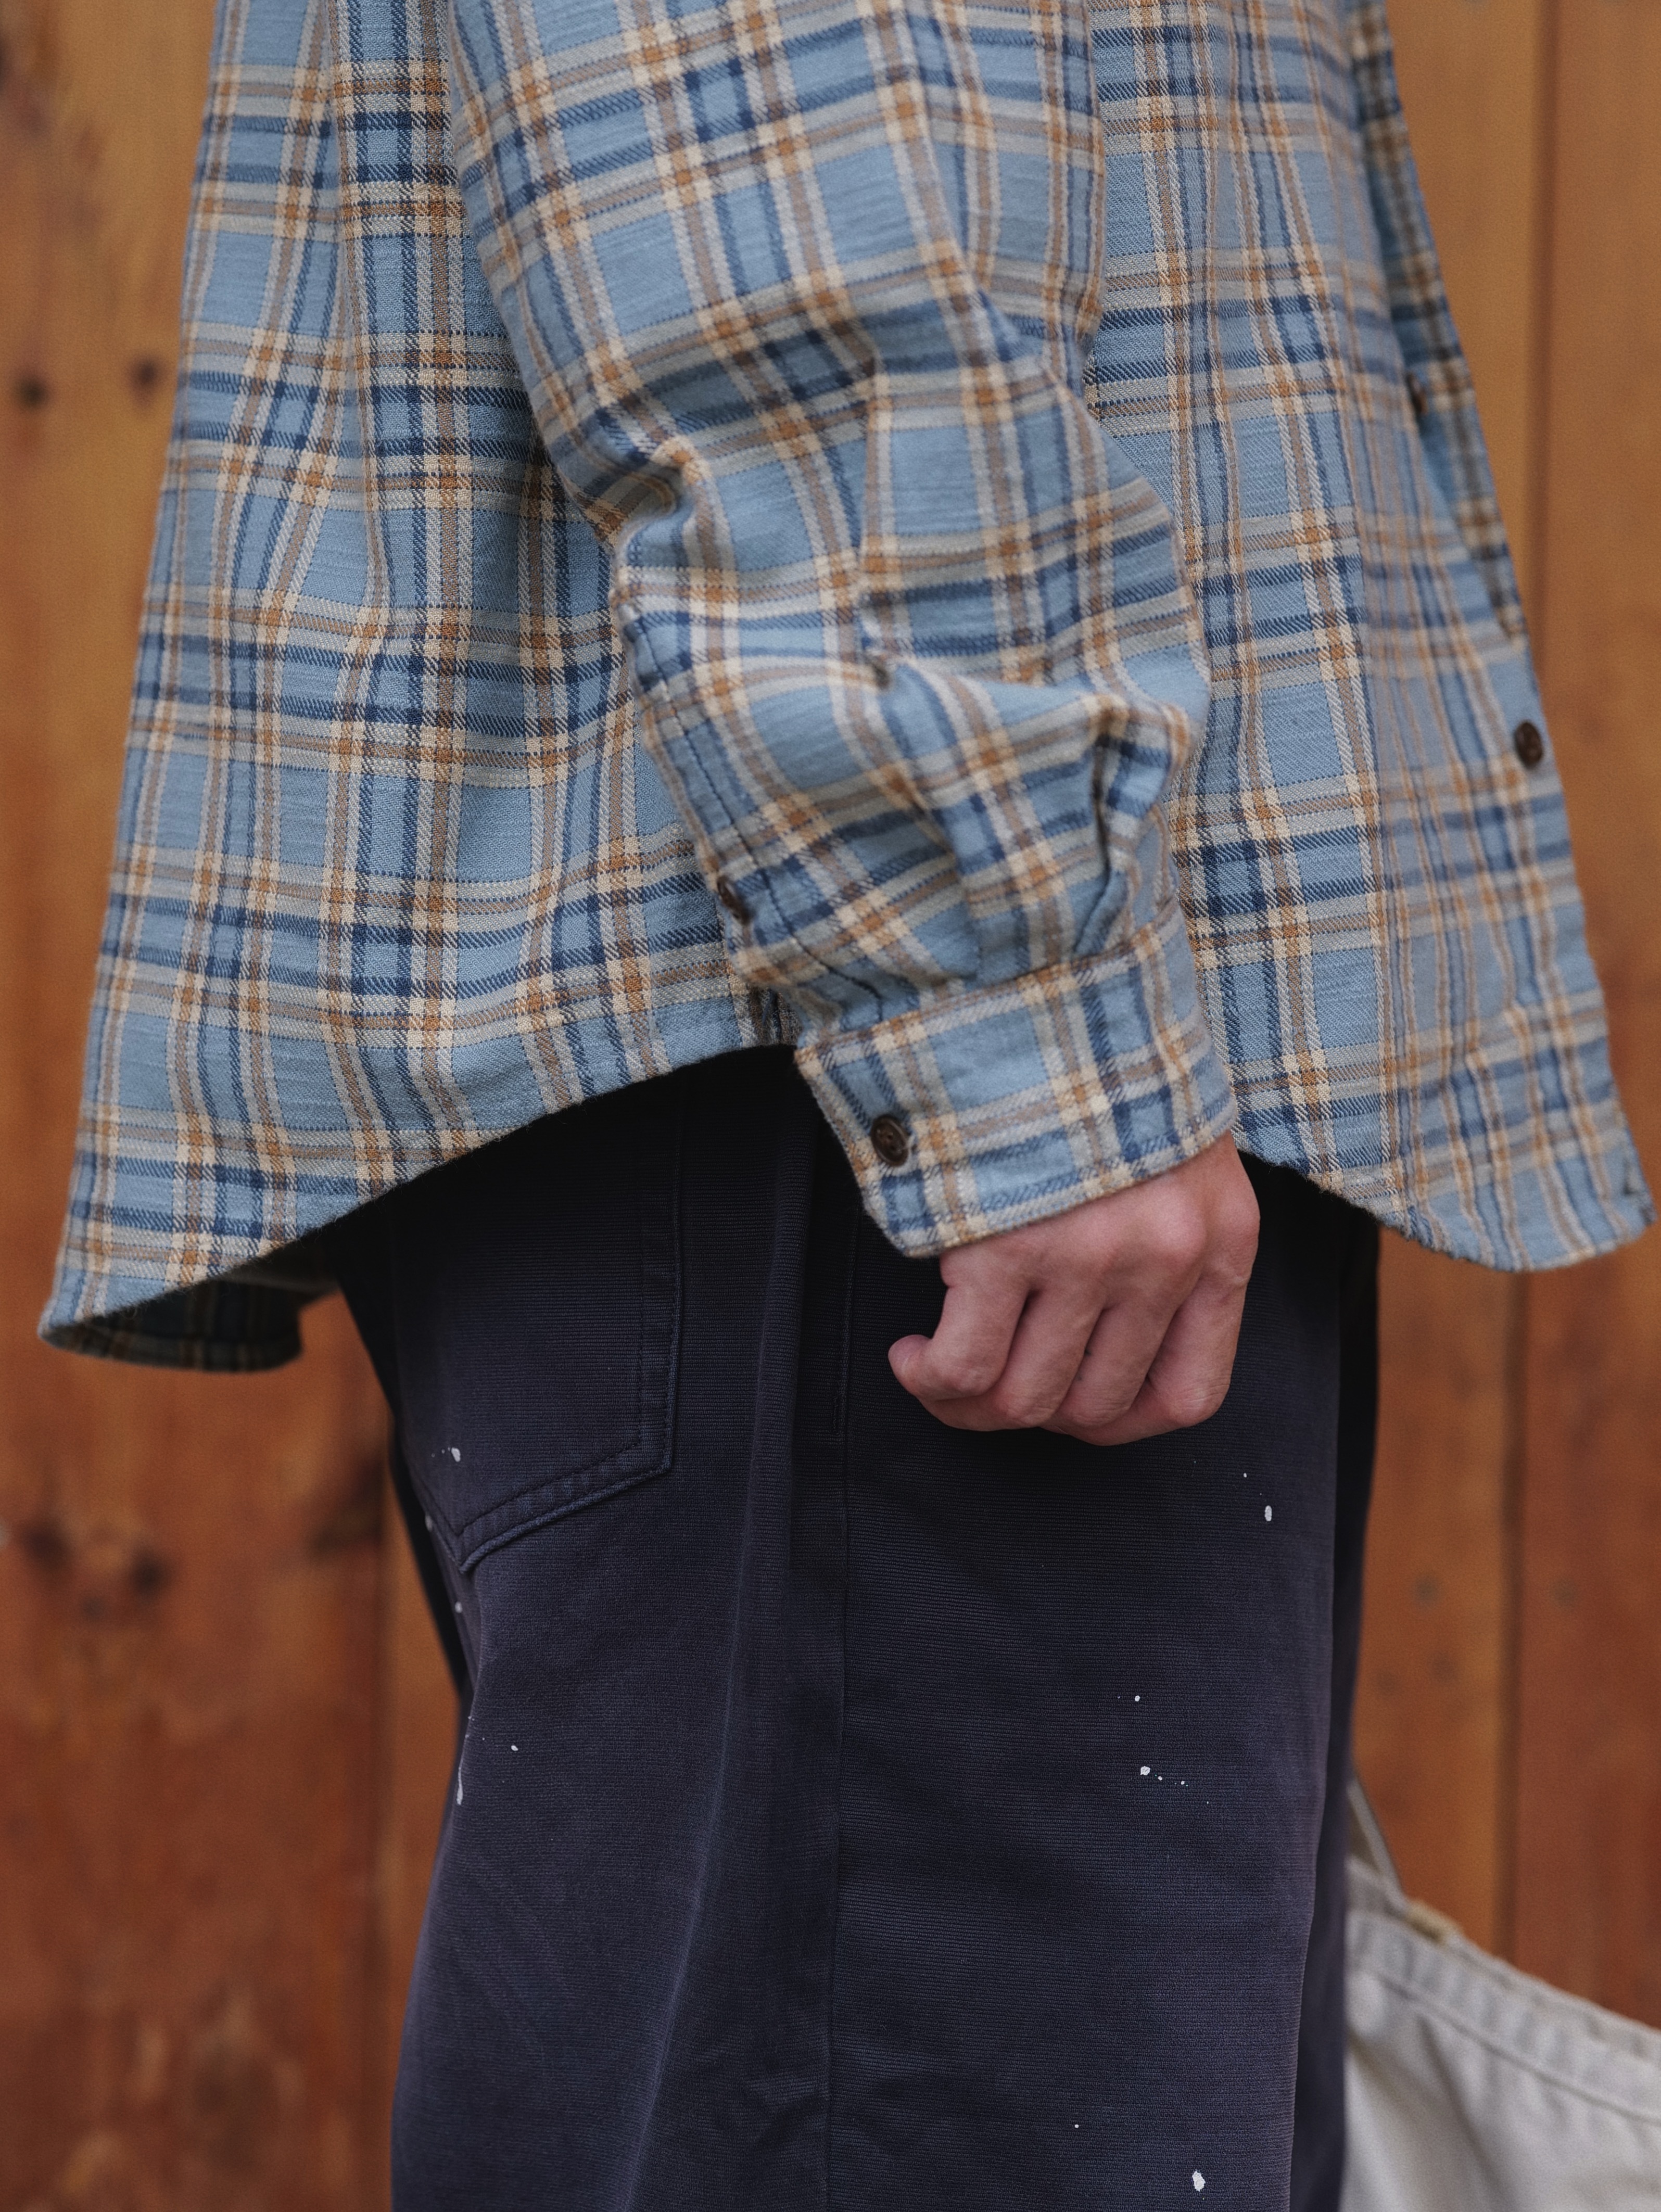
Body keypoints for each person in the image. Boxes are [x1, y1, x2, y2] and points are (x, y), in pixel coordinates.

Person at [42, 0, 1648, 2205]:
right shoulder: (987, 1039)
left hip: (904, 1038)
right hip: (892, 1070)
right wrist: (1017, 994)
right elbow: (771, 101)